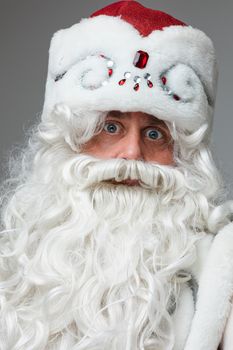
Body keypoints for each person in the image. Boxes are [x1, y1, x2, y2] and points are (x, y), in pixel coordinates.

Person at [0, 1, 233, 349]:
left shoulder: (222, 274)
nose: (132, 153)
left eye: (155, 134)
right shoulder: (12, 264)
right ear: (69, 138)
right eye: (111, 127)